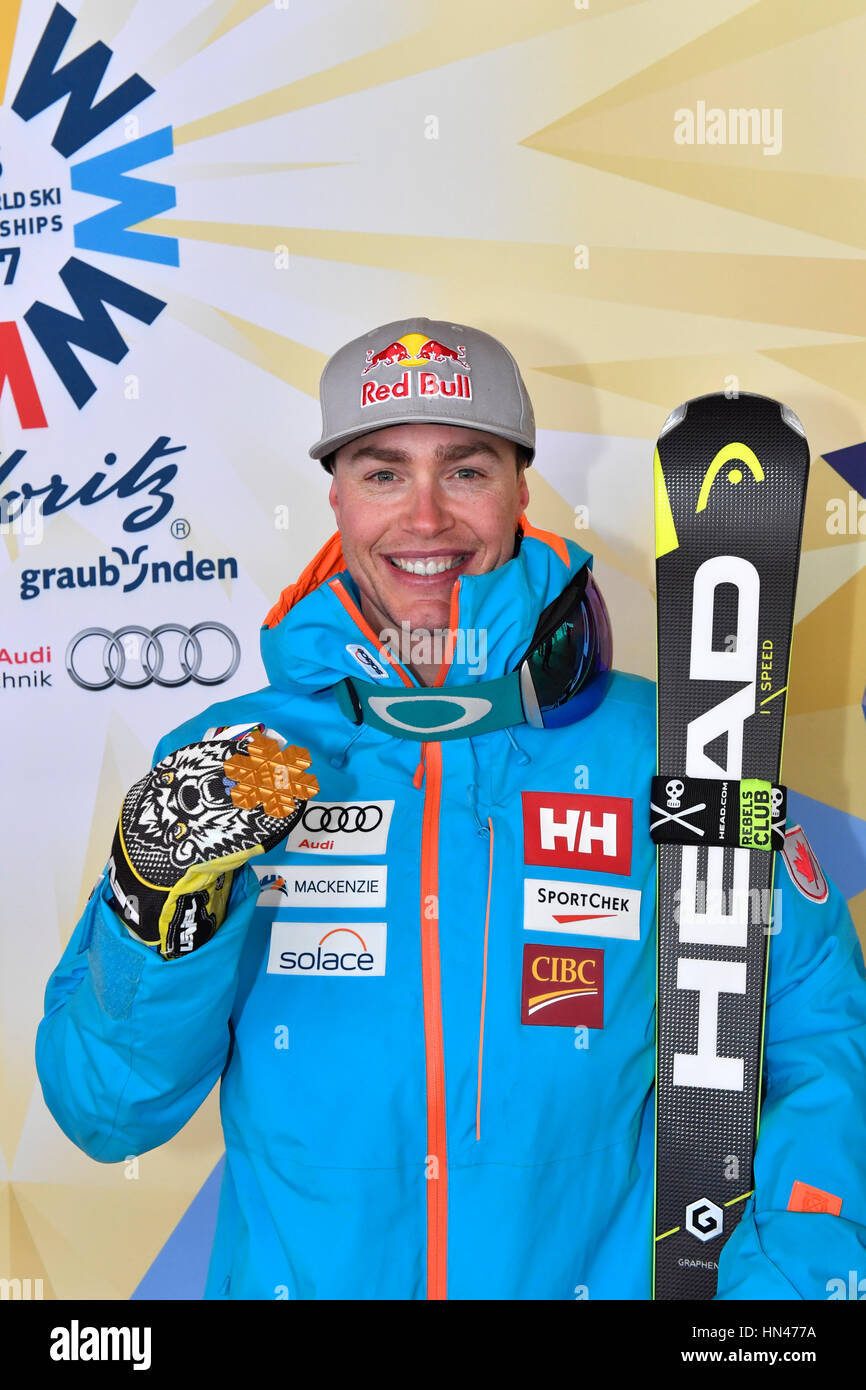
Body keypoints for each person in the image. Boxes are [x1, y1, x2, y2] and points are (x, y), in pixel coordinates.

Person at [36, 317, 866, 1301]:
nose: (424, 518)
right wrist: (154, 905)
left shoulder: (676, 744)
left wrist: (776, 1297)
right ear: (336, 495)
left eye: (463, 470)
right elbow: (106, 1112)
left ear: (519, 487)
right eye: (384, 472)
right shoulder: (237, 759)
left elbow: (812, 1037)